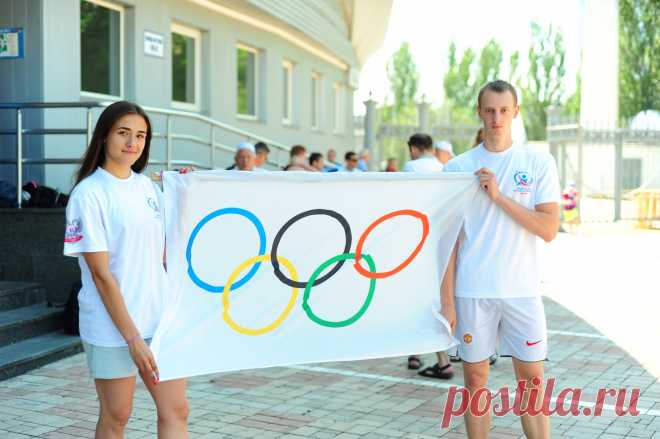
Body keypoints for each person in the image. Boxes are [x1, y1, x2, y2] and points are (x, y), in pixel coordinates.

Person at [63, 101, 189, 437]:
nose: (132, 142)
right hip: (113, 327)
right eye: (123, 133)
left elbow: (168, 251)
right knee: (117, 415)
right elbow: (101, 276)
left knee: (176, 410)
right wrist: (132, 338)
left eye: (140, 136)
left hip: (158, 320)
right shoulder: (88, 194)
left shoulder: (149, 188)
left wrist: (188, 192)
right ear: (104, 136)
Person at [442, 80, 560, 439]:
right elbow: (447, 243)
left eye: (503, 110)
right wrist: (446, 300)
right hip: (473, 290)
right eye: (490, 110)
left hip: (521, 290)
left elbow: (549, 228)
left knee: (532, 381)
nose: (496, 118)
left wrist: (498, 196)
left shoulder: (537, 162)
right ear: (479, 112)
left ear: (515, 112)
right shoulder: (458, 168)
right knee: (475, 381)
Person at [399, 133, 453, 378]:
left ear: (413, 148)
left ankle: (434, 358)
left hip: (415, 237)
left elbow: (403, 200)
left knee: (415, 299)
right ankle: (422, 354)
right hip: (438, 238)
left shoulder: (411, 166)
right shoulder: (443, 167)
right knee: (433, 297)